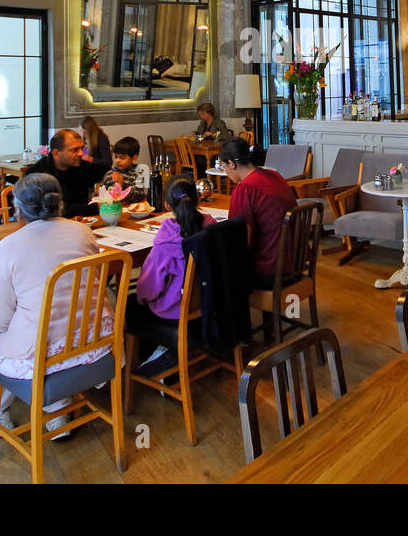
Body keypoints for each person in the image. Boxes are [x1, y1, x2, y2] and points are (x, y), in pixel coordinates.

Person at [0, 173, 112, 436]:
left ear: (18, 208)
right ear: (59, 202)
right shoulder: (83, 232)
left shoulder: (9, 245)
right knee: (57, 322)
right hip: (91, 340)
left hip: (43, 352)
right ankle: (58, 414)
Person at [127, 175, 217, 377]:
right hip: (209, 304)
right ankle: (163, 355)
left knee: (131, 304)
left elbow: (148, 290)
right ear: (198, 200)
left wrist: (141, 298)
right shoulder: (211, 227)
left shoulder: (166, 241)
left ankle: (155, 362)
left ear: (167, 205)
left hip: (176, 314)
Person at [219, 137, 296, 288]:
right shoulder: (274, 175)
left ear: (231, 164)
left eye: (223, 166)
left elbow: (241, 240)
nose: (225, 171)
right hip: (293, 259)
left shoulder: (245, 188)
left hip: (270, 268)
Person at [24, 128, 98, 218]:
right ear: (56, 153)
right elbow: (53, 209)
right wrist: (93, 208)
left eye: (82, 148)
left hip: (80, 222)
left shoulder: (82, 166)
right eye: (75, 150)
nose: (81, 153)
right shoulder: (38, 174)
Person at [99, 136, 150, 206]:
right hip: (112, 209)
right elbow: (102, 192)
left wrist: (122, 184)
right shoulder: (110, 174)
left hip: (131, 209)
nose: (117, 160)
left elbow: (138, 196)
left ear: (134, 158)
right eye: (116, 157)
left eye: (122, 158)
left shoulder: (138, 174)